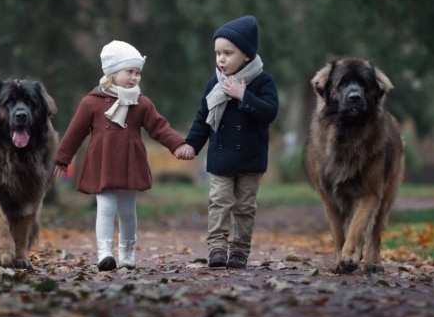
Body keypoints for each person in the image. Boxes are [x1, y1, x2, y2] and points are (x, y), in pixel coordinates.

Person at [55, 40, 194, 271]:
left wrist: (178, 145)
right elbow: (75, 132)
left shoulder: (141, 102)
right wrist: (62, 158)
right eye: (129, 71)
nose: (134, 78)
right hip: (103, 163)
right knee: (106, 208)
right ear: (112, 72)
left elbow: (159, 127)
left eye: (137, 73)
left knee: (128, 211)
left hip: (130, 162)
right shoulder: (91, 102)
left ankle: (127, 251)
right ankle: (105, 253)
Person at [177, 15, 278, 269]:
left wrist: (244, 95)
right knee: (219, 203)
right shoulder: (216, 83)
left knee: (244, 207)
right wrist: (191, 144)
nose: (221, 59)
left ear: (246, 55)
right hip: (221, 158)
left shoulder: (263, 81)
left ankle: (240, 251)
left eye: (228, 53)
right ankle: (218, 247)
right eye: (217, 53)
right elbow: (203, 117)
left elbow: (270, 112)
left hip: (251, 159)